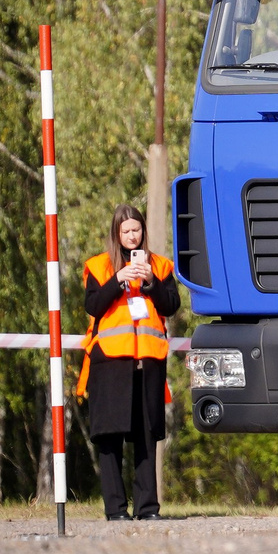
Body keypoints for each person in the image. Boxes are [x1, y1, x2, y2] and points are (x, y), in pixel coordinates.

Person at [78, 204, 179, 521]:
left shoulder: (161, 266)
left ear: (143, 231)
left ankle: (147, 508)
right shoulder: (99, 266)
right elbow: (93, 306)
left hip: (148, 363)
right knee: (109, 437)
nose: (132, 236)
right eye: (126, 231)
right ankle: (115, 509)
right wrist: (118, 279)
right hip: (110, 362)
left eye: (136, 229)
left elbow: (171, 305)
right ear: (116, 234)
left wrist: (151, 282)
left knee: (147, 436)